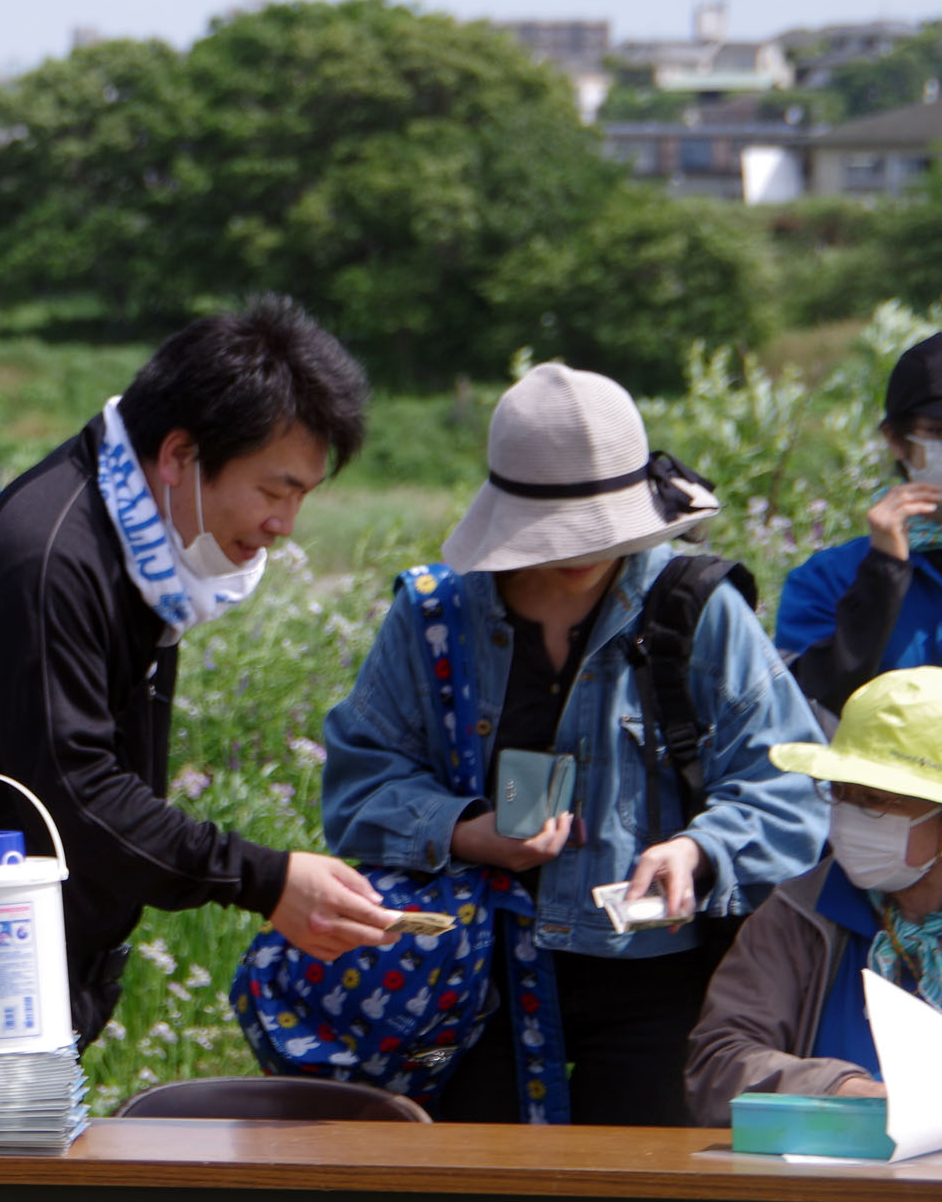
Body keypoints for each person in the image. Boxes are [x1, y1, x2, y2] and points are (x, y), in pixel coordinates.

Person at [323, 362, 828, 1127]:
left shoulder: (697, 611)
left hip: (656, 984)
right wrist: (466, 833)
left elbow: (789, 786)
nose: (585, 550)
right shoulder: (434, 616)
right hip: (467, 982)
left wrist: (700, 850)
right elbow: (358, 783)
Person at [0, 296, 394, 1050]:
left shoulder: (144, 540)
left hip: (46, 958)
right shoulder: (52, 557)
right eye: (273, 489)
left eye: (302, 497)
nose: (284, 525)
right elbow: (76, 796)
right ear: (180, 456)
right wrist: (264, 880)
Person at [687, 666, 942, 1125]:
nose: (849, 816)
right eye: (840, 793)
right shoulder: (798, 912)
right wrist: (840, 1090)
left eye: (876, 799)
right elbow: (718, 1063)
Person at [775, 332, 942, 714]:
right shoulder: (825, 581)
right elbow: (805, 709)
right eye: (939, 432)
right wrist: (883, 578)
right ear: (898, 441)